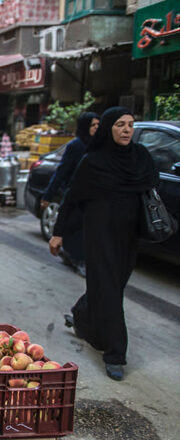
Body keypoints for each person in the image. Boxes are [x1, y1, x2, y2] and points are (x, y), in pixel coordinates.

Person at [50, 107, 158, 381]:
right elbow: (72, 199)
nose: (126, 130)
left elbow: (151, 185)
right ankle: (115, 354)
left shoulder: (141, 157)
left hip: (129, 236)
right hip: (100, 236)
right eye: (120, 124)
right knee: (109, 289)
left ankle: (83, 316)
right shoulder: (93, 161)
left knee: (111, 286)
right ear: (109, 128)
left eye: (131, 125)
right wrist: (59, 232)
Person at [41, 112, 99, 275]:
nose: (96, 128)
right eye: (93, 125)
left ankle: (73, 255)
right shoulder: (75, 146)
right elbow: (61, 172)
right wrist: (48, 195)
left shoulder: (98, 146)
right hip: (75, 195)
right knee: (75, 229)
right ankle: (79, 260)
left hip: (93, 195)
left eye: (98, 125)